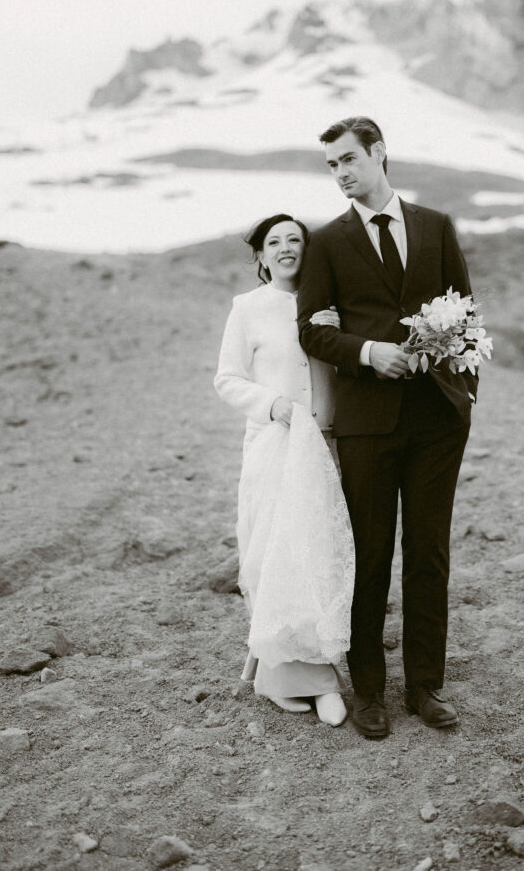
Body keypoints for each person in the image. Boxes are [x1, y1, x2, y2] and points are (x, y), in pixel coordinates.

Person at [297, 117, 478, 739]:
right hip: (368, 424)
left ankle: (425, 686)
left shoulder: (436, 227)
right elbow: (311, 330)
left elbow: (466, 313)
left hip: (437, 420)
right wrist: (370, 353)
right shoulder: (328, 242)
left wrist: (464, 396)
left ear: (378, 154)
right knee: (371, 557)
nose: (341, 172)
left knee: (428, 552)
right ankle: (370, 690)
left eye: (349, 159)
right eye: (332, 164)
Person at [214, 214, 353, 728]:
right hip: (274, 442)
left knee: (317, 551)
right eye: (275, 242)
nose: (286, 247)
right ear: (261, 256)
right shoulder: (247, 309)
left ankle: (309, 672)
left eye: (295, 239)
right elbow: (226, 379)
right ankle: (297, 681)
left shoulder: (331, 305)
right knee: (275, 550)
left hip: (327, 444)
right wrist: (276, 407)